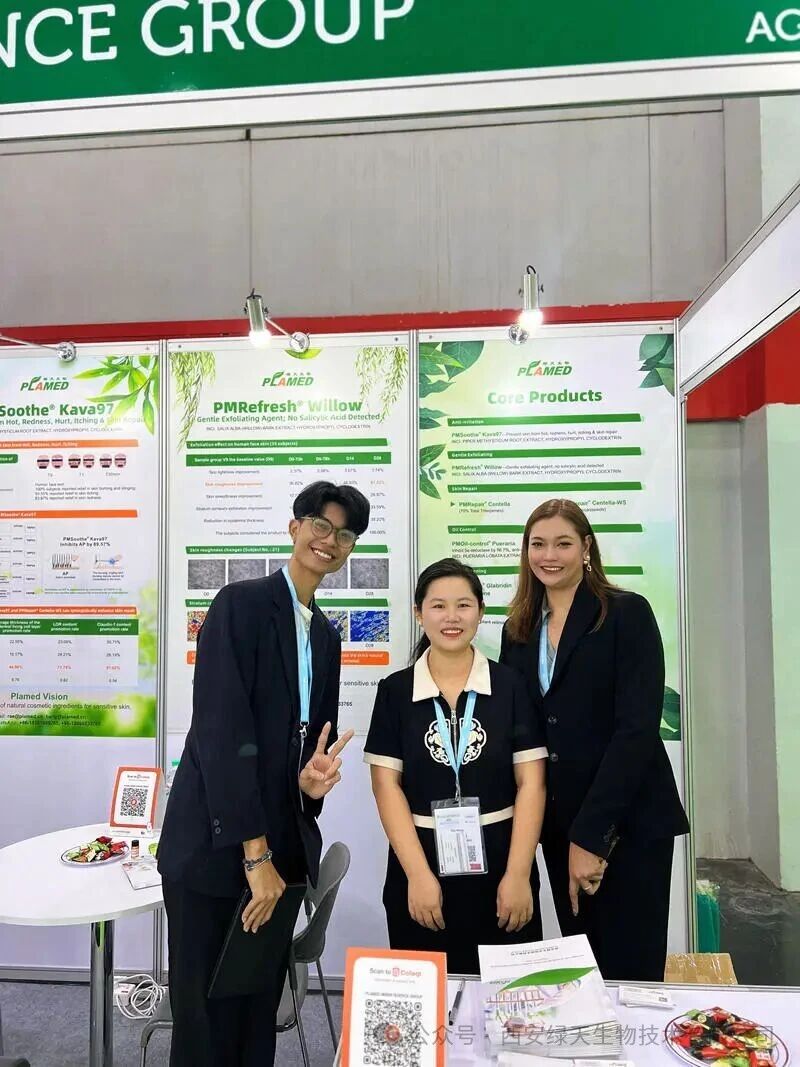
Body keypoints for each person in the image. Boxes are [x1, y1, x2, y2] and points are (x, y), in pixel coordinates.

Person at [157, 481, 370, 1066]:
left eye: (344, 534)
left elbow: (304, 741)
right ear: (295, 528)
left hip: (278, 856)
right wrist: (255, 857)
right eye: (320, 526)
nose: (330, 541)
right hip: (216, 852)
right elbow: (222, 733)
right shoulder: (241, 605)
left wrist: (307, 785)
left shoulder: (325, 635)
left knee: (255, 1017)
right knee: (205, 1025)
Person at [499, 498, 689, 981]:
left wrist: (591, 836)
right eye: (538, 544)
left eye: (562, 543)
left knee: (631, 970)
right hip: (559, 824)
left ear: (586, 547)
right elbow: (524, 733)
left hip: (626, 821)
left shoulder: (626, 613)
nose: (549, 556)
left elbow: (636, 730)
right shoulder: (518, 629)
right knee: (584, 971)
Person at [364, 558, 547, 975]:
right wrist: (418, 876)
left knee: (508, 997)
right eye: (438, 606)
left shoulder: (510, 686)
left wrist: (519, 874)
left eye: (463, 605)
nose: (452, 617)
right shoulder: (395, 692)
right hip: (421, 862)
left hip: (503, 861)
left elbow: (532, 784)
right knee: (431, 993)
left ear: (480, 612)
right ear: (419, 613)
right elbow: (386, 787)